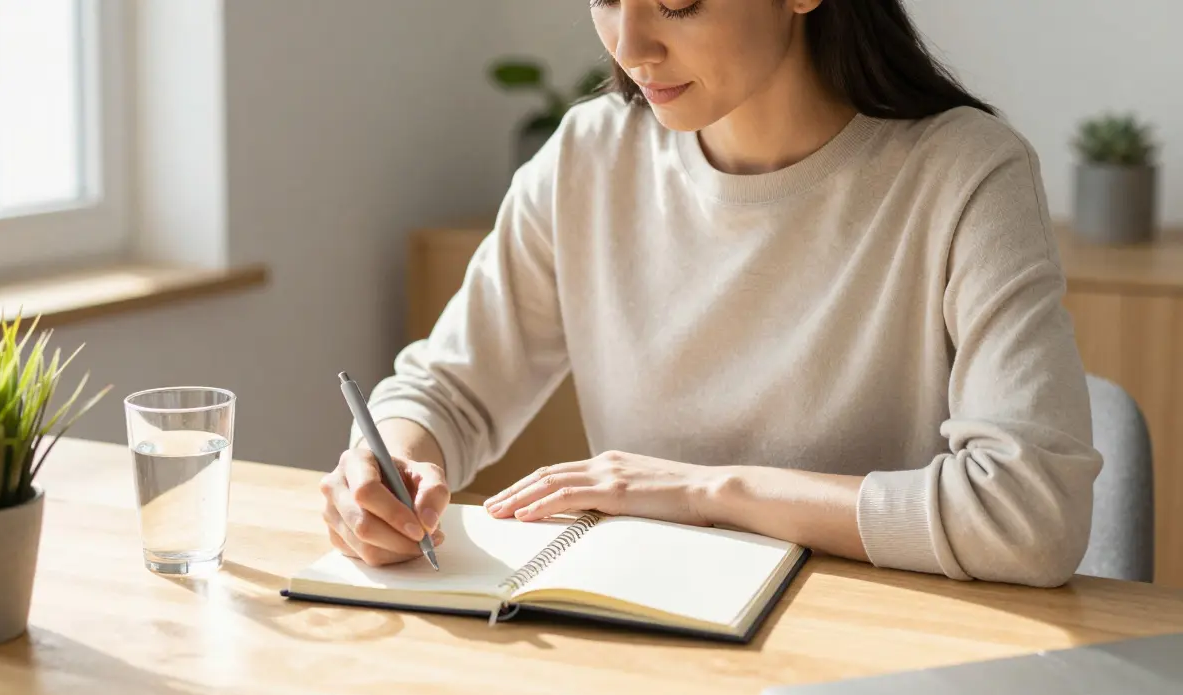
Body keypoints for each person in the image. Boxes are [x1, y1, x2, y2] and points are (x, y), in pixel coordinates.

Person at [319, 0, 1104, 588]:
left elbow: (1030, 518)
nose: (629, 47)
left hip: (870, 655)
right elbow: (448, 392)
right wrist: (389, 466)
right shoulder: (588, 158)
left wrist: (704, 492)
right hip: (647, 645)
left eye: (679, 1)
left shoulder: (967, 175)